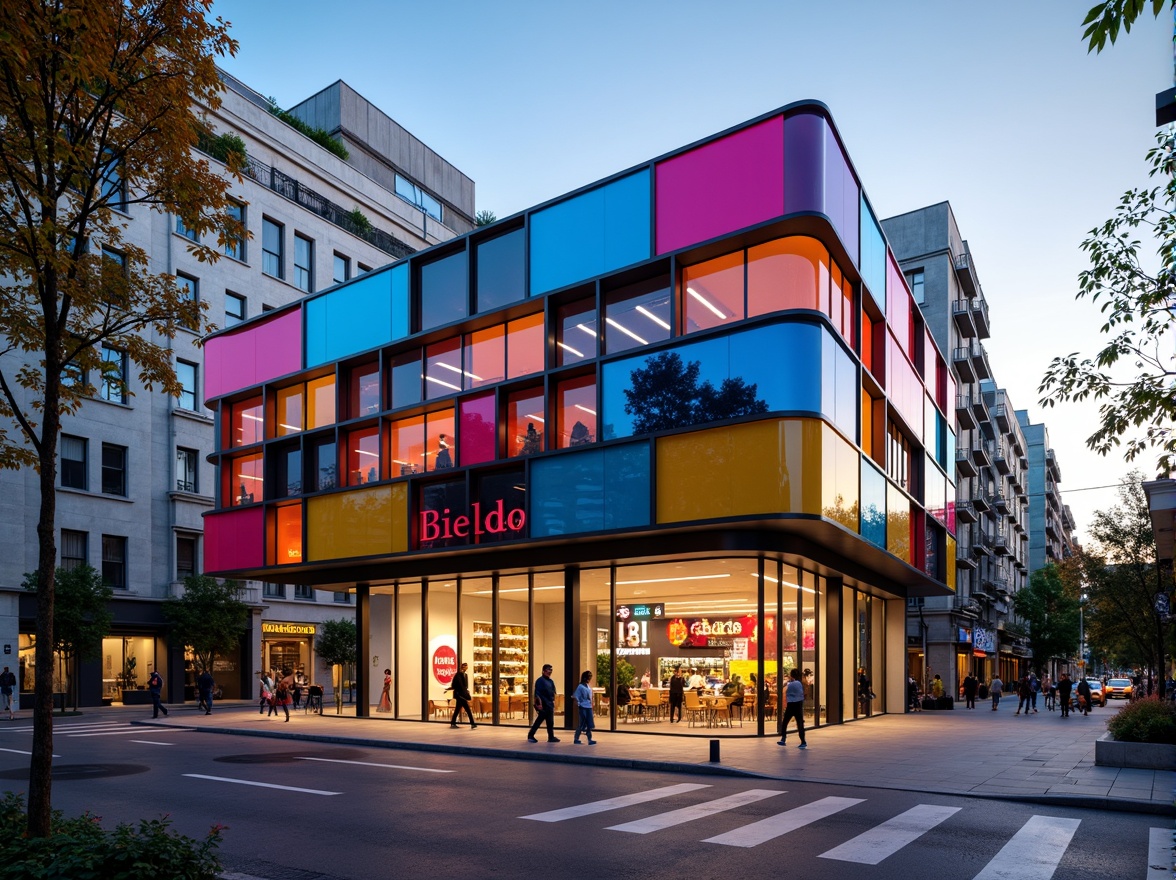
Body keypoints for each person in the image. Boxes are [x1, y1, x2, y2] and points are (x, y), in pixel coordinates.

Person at [527, 663, 559, 743]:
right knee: (539, 720)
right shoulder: (540, 681)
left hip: (549, 704)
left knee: (550, 722)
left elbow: (553, 692)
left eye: (551, 670)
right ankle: (531, 735)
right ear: (543, 671)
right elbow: (537, 694)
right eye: (548, 669)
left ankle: (551, 737)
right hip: (544, 704)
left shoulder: (550, 681)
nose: (550, 671)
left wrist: (553, 701)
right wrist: (539, 704)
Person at [777, 667, 807, 749]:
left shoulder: (791, 684)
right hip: (798, 704)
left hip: (791, 705)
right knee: (800, 723)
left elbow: (785, 691)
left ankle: (783, 738)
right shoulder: (800, 683)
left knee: (785, 722)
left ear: (792, 675)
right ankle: (803, 741)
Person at [447, 663, 474, 727]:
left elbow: (465, 686)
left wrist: (466, 691)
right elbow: (457, 685)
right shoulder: (458, 675)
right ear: (462, 667)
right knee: (467, 709)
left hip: (462, 695)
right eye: (464, 667)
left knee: (457, 709)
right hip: (460, 695)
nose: (465, 668)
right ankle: (472, 723)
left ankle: (453, 723)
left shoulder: (465, 675)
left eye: (466, 667)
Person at [573, 670, 596, 745]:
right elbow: (576, 696)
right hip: (583, 707)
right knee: (582, 723)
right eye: (588, 677)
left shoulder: (588, 687)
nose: (589, 679)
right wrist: (579, 704)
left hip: (588, 706)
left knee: (589, 723)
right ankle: (576, 738)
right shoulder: (580, 687)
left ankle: (590, 739)